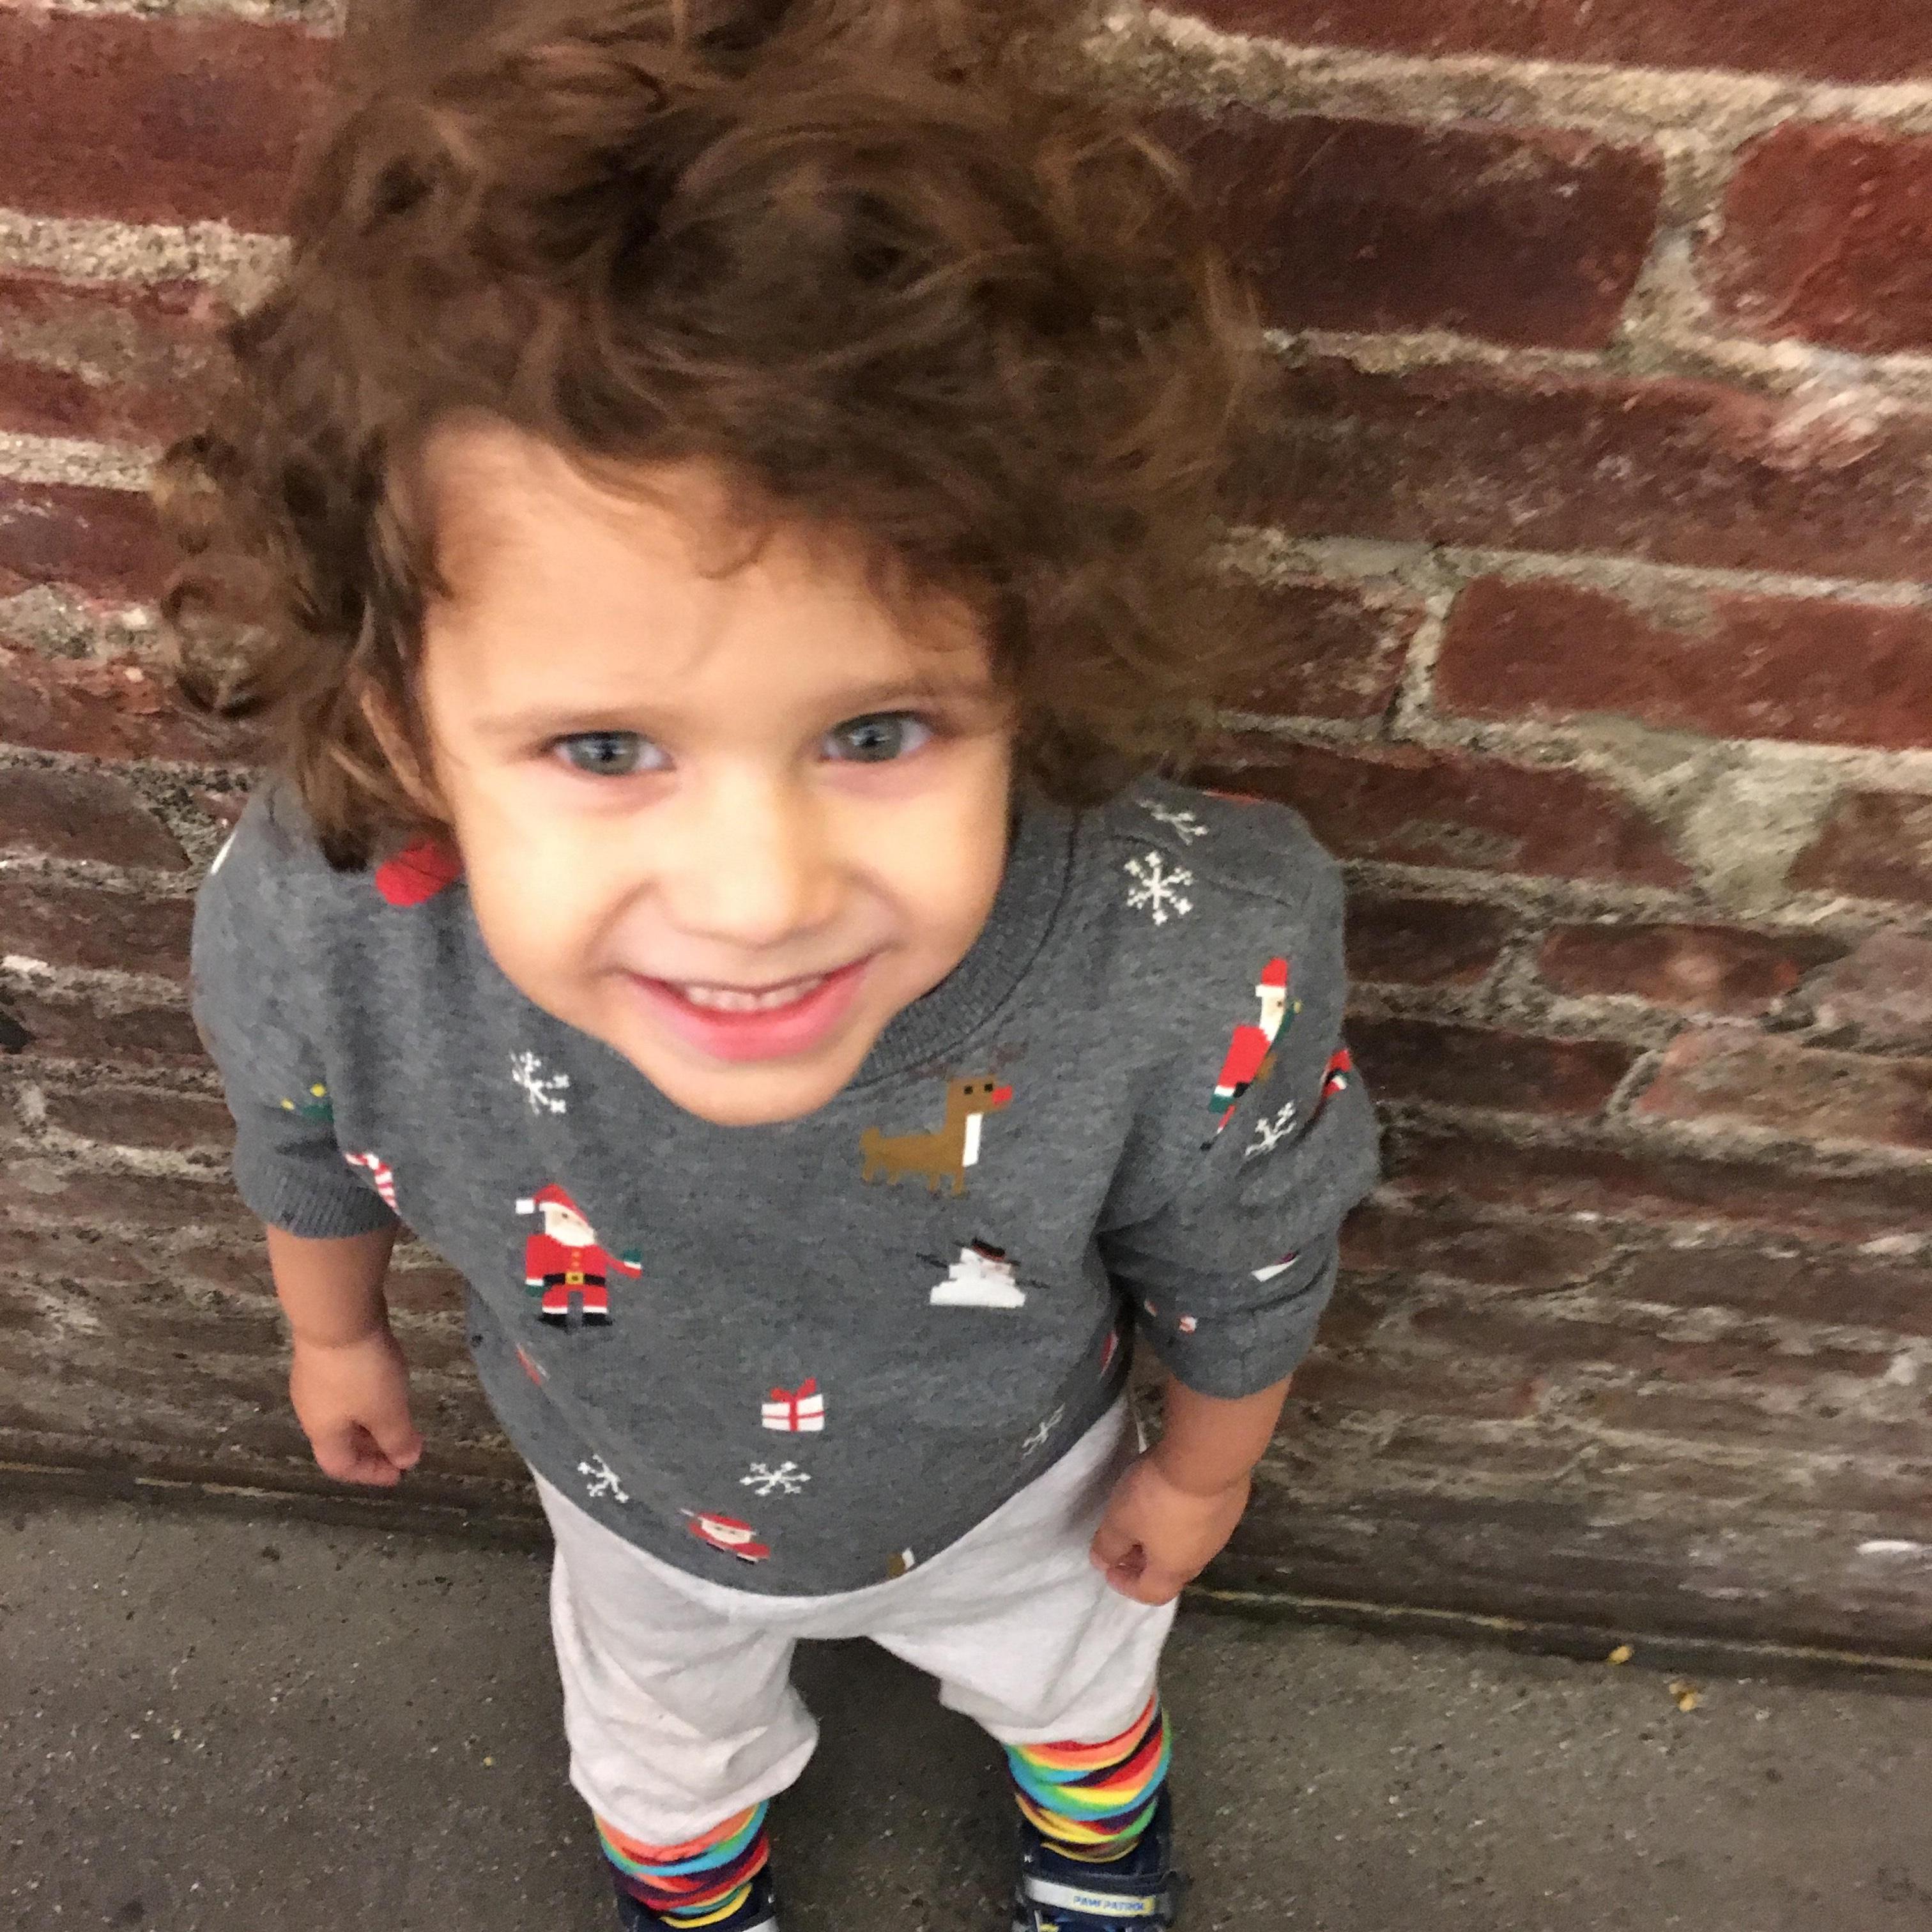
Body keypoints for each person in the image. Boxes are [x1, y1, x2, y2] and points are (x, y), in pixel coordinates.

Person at [167, 2, 1381, 1926]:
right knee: (660, 1751)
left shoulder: (1186, 957)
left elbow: (1252, 1242)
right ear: (402, 723)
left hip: (1023, 1492)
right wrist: (332, 1330)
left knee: (1078, 1695)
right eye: (604, 748)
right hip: (625, 1498)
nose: (756, 897)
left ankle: (1094, 1851)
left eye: (877, 731)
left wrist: (1205, 1472)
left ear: (1031, 664)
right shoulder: (332, 915)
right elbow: (301, 1128)